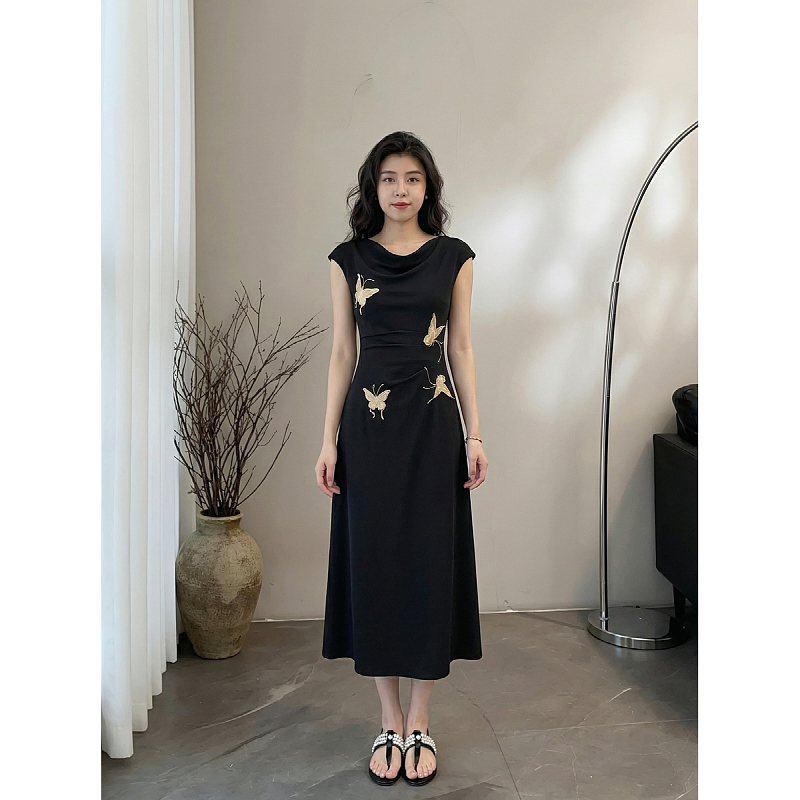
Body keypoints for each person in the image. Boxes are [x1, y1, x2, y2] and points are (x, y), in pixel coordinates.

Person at [314, 131, 488, 787]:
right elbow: (343, 353)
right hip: (369, 434)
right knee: (377, 565)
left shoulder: (454, 258)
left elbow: (461, 349)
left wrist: (475, 434)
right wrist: (327, 439)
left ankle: (420, 721)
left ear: (427, 187)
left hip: (433, 430)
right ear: (373, 187)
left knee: (427, 565)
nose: (400, 189)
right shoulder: (347, 260)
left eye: (412, 178)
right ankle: (388, 720)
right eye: (389, 178)